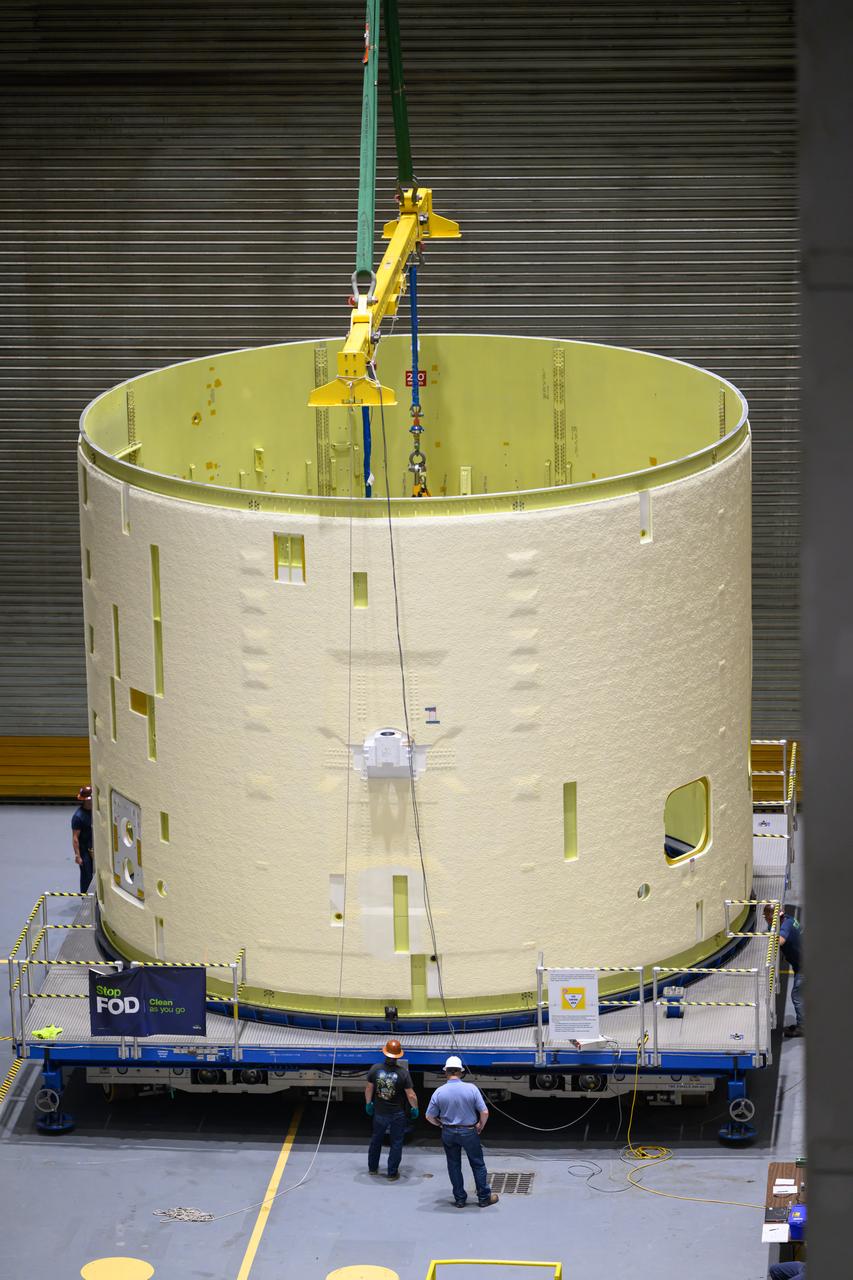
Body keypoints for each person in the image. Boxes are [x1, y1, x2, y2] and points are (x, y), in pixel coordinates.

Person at [426, 1055, 499, 1208]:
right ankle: (484, 1198)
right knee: (477, 1164)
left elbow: (429, 1116)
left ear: (446, 1072)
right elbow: (484, 1112)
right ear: (461, 1072)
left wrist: (440, 1124)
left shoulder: (439, 1092)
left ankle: (460, 1199)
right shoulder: (471, 1089)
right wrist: (480, 1125)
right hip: (469, 1131)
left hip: (448, 1132)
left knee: (453, 1165)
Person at [365, 1038, 419, 1180]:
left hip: (379, 1113)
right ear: (398, 1056)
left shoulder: (375, 1069)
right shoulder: (402, 1073)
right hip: (397, 1114)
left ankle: (372, 1168)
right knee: (396, 1143)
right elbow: (411, 1095)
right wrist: (415, 1108)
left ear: (385, 1053)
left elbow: (369, 1088)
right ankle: (392, 1173)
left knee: (376, 1139)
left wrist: (368, 1103)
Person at [764, 904, 803, 1037]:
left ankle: (802, 1027)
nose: (766, 921)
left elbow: (780, 940)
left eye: (768, 918)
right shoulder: (789, 919)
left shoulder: (785, 926)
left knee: (797, 996)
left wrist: (770, 931)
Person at [71, 784, 94, 893]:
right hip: (84, 850)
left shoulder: (94, 811)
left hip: (93, 847)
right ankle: (86, 897)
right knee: (87, 875)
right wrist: (78, 856)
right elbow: (75, 838)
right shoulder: (78, 817)